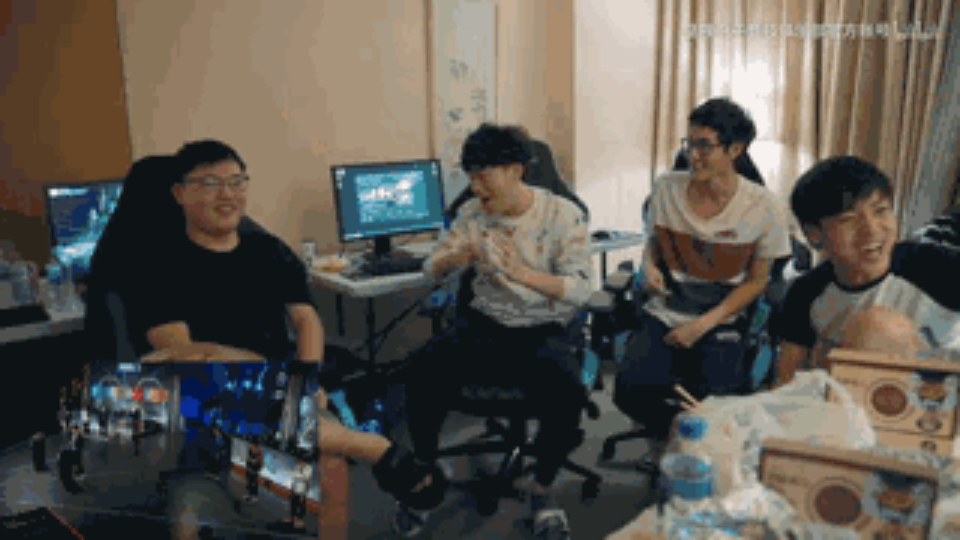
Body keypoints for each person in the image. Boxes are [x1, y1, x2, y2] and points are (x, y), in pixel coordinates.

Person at [397, 123, 593, 539]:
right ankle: (425, 473)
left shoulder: (562, 215)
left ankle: (542, 490)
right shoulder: (472, 213)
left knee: (568, 391)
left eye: (483, 176)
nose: (475, 187)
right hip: (485, 325)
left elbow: (580, 288)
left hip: (542, 327)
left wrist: (522, 274)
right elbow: (429, 268)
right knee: (420, 370)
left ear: (515, 170)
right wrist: (456, 257)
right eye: (470, 177)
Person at [613, 98, 792, 453]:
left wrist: (701, 325)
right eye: (689, 144)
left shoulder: (765, 207)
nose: (692, 156)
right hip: (664, 313)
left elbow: (758, 281)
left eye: (704, 146)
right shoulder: (666, 188)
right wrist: (649, 267)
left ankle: (689, 448)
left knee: (721, 400)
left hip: (721, 318)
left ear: (735, 150)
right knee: (629, 391)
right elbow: (654, 243)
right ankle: (677, 439)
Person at [126, 139, 323, 362]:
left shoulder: (270, 250)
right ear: (179, 193)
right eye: (210, 184)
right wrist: (266, 368)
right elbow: (186, 354)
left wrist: (307, 375)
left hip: (280, 379)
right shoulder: (155, 264)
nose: (228, 195)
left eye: (236, 182)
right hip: (210, 382)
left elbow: (306, 320)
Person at [773, 156, 960, 384]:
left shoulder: (938, 266)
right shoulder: (805, 293)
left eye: (881, 211)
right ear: (813, 233)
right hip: (850, 400)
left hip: (940, 396)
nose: (871, 230)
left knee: (876, 326)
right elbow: (788, 380)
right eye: (848, 219)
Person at [287, 458, 313, 530]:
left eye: (302, 462)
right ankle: (292, 519)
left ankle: (299, 521)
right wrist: (291, 488)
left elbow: (306, 477)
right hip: (295, 489)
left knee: (301, 506)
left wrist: (297, 475)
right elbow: (293, 477)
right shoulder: (298, 467)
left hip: (302, 490)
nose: (300, 463)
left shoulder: (309, 468)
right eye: (300, 462)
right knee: (293, 505)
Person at [244, 438, 264, 502]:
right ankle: (249, 494)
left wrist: (255, 462)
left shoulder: (259, 450)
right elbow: (248, 458)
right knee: (249, 481)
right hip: (250, 466)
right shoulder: (251, 448)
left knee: (254, 481)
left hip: (255, 467)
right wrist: (248, 464)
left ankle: (254, 496)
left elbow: (260, 460)